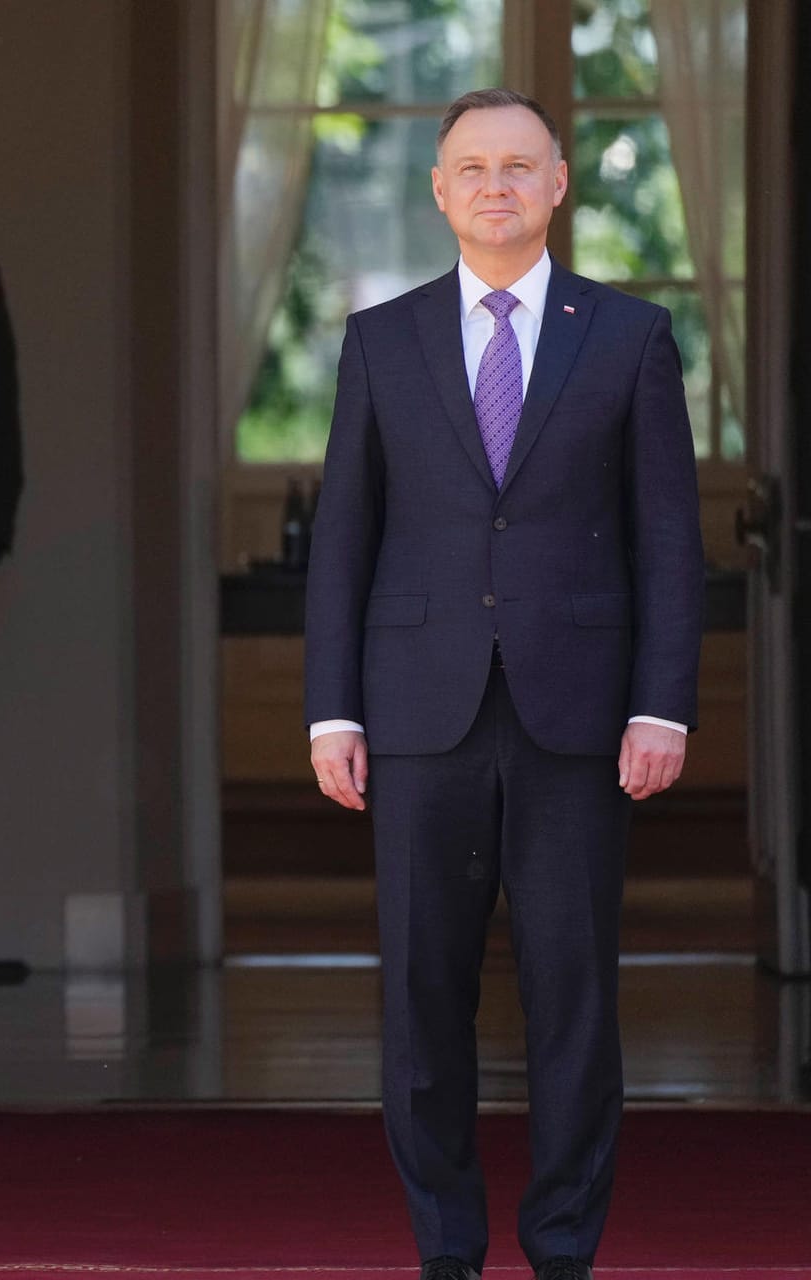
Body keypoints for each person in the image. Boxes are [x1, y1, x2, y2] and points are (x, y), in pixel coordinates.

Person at [304, 88, 703, 1280]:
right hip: (418, 712)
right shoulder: (384, 339)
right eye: (472, 167)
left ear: (560, 183)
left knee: (572, 1000)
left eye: (519, 167)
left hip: (578, 719)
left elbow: (668, 538)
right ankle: (446, 1250)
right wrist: (333, 705)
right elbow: (347, 535)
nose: (495, 186)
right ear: (437, 190)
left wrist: (662, 700)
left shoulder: (628, 337)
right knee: (424, 1007)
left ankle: (565, 1248)